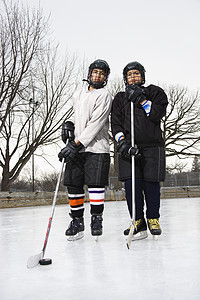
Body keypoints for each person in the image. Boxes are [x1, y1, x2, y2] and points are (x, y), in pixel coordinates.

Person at [111, 61, 168, 240]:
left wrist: (142, 100)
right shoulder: (120, 98)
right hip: (129, 148)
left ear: (142, 76)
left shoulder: (155, 92)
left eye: (136, 73)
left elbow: (157, 114)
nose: (133, 77)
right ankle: (137, 221)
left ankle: (153, 218)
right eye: (130, 75)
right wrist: (122, 143)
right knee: (131, 186)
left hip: (152, 146)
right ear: (125, 79)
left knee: (151, 184)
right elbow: (116, 123)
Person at [58, 59, 112, 240]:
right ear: (90, 73)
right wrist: (69, 125)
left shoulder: (104, 95)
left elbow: (95, 124)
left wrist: (76, 144)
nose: (97, 75)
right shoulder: (78, 92)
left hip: (96, 147)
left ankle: (96, 219)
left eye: (102, 74)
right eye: (95, 72)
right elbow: (77, 116)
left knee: (95, 184)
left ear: (105, 78)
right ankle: (76, 220)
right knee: (73, 184)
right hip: (77, 147)